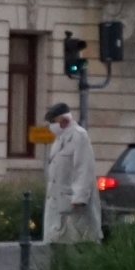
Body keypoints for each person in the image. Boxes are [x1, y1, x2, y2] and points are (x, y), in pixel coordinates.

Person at [43, 102, 102, 245]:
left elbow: (84, 168)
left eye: (53, 122)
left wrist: (79, 198)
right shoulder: (60, 139)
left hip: (73, 203)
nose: (51, 126)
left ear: (64, 120)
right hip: (58, 199)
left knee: (79, 241)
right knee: (57, 241)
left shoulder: (79, 135)